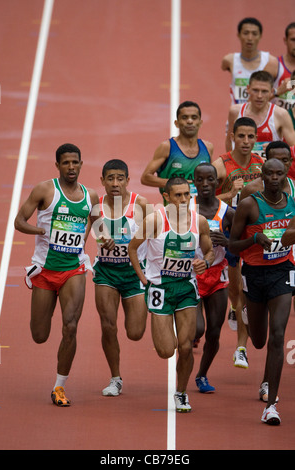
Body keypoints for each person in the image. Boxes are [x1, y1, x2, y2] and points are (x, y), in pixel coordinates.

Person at [14, 143, 113, 406]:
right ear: (57, 165)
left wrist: (105, 238)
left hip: (74, 269)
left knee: (70, 325)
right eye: (66, 163)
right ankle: (45, 313)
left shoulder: (90, 195)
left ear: (81, 164)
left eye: (75, 162)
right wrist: (39, 232)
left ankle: (59, 386)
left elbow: (97, 223)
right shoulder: (45, 190)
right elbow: (19, 221)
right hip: (45, 271)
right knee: (40, 335)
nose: (71, 167)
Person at [128, 177, 215, 412]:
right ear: (166, 196)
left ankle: (182, 393)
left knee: (186, 347)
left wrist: (204, 263)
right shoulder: (156, 220)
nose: (184, 199)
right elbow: (133, 248)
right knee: (167, 350)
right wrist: (142, 277)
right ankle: (166, 333)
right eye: (178, 195)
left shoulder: (200, 222)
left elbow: (209, 252)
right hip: (160, 289)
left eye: (187, 194)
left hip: (186, 288)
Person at [229, 158, 295, 425]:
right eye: (271, 174)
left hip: (283, 271)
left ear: (285, 175)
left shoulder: (293, 201)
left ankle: (270, 406)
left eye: (280, 173)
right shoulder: (249, 205)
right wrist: (255, 239)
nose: (276, 178)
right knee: (258, 340)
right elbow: (233, 246)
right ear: (262, 176)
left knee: (278, 335)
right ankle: (245, 312)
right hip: (254, 275)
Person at [92, 159, 150, 397]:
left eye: (119, 178)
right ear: (103, 181)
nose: (115, 183)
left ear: (128, 180)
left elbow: (157, 234)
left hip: (133, 273)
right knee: (108, 326)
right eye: (110, 178)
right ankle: (115, 378)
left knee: (135, 333)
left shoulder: (142, 205)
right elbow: (95, 232)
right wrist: (103, 238)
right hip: (106, 271)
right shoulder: (96, 207)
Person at [213, 117, 264, 369]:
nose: (245, 141)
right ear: (232, 135)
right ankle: (235, 307)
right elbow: (199, 201)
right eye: (241, 136)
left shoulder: (262, 164)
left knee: (247, 292)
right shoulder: (221, 166)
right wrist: (230, 194)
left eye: (250, 137)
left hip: (252, 235)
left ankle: (240, 349)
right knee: (235, 292)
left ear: (256, 138)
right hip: (227, 236)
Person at [192, 164, 235, 393]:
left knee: (214, 331)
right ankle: (188, 336)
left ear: (217, 183)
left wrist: (227, 242)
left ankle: (202, 375)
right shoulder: (186, 207)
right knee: (198, 329)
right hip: (193, 273)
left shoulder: (227, 212)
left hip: (217, 273)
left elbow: (239, 246)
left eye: (210, 179)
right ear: (195, 182)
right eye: (201, 180)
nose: (206, 184)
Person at [140, 101, 213, 203]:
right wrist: (176, 184)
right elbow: (145, 178)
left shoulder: (208, 147)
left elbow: (212, 178)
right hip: (173, 212)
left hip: (200, 212)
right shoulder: (167, 147)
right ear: (176, 123)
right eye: (184, 117)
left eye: (194, 117)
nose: (190, 121)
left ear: (200, 123)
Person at [225, 71, 295, 159]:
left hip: (270, 171)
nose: (259, 96)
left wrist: (276, 147)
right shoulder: (235, 111)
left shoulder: (281, 114)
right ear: (248, 89)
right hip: (243, 170)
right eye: (255, 90)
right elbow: (229, 141)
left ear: (272, 92)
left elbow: (293, 148)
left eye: (264, 91)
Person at [221, 17, 274, 105]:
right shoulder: (229, 60)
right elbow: (223, 67)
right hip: (237, 115)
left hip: (261, 116)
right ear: (238, 35)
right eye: (246, 33)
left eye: (254, 34)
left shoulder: (270, 61)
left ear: (260, 36)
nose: (250, 38)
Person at [264, 23, 295, 110]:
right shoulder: (274, 65)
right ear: (285, 40)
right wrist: (278, 91)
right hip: (276, 122)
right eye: (293, 40)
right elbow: (253, 100)